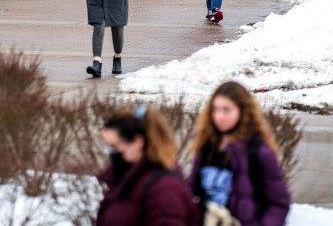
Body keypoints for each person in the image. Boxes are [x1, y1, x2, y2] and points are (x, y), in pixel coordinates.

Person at [188, 81, 291, 226]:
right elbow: (192, 194)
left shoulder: (259, 152)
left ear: (242, 111)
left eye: (226, 110)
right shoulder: (206, 147)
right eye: (215, 109)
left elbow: (279, 204)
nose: (219, 116)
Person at [97, 105, 196, 225]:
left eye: (114, 146)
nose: (110, 153)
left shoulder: (166, 188)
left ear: (137, 142)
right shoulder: (126, 180)